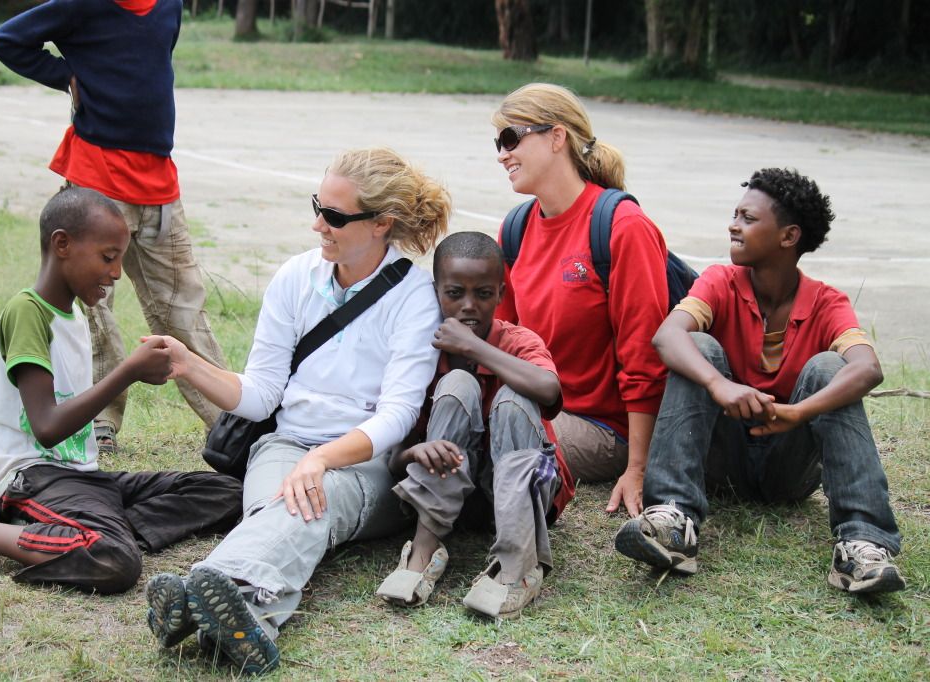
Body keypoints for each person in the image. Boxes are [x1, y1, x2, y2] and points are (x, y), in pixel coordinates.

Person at [144, 148, 451, 674]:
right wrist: (189, 364)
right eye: (317, 207)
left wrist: (322, 459)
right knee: (287, 510)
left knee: (302, 506)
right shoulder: (295, 276)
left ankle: (200, 592)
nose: (317, 225)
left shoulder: (415, 296)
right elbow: (262, 394)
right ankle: (251, 619)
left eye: (333, 216)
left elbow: (397, 416)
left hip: (368, 463)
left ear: (382, 223)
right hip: (285, 445)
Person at [0, 187, 243, 594]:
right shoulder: (27, 312)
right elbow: (47, 427)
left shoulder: (75, 316)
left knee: (227, 492)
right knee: (115, 562)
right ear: (62, 244)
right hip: (32, 478)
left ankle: (86, 532)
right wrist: (128, 371)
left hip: (83, 479)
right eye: (108, 257)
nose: (116, 273)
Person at [615, 168, 906, 594]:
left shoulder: (826, 302)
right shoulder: (719, 282)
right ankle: (673, 522)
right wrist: (718, 384)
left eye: (748, 218)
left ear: (789, 236)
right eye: (735, 215)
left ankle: (862, 546)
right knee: (697, 346)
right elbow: (667, 336)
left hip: (789, 470)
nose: (733, 226)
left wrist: (799, 412)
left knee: (831, 367)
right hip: (722, 462)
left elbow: (868, 368)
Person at [0, 0, 227, 453]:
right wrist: (66, 76)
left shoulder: (169, 6)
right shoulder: (83, 5)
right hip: (97, 182)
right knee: (93, 310)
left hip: (158, 184)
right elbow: (7, 40)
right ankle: (100, 421)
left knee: (183, 308)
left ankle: (228, 423)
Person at [374, 231, 574, 619]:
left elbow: (549, 390)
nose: (469, 306)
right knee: (457, 384)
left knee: (514, 397)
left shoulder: (517, 341)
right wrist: (417, 452)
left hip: (522, 500)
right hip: (454, 500)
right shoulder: (421, 351)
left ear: (500, 294)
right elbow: (395, 461)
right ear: (436, 292)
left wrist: (473, 347)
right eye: (454, 293)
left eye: (483, 294)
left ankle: (517, 565)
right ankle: (424, 550)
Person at [492, 83, 669, 517]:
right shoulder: (515, 229)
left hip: (602, 426)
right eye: (498, 143)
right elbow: (501, 339)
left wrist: (638, 468)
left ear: (557, 137)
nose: (502, 155)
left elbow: (644, 355)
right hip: (534, 404)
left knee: (485, 449)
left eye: (511, 139)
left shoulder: (623, 226)